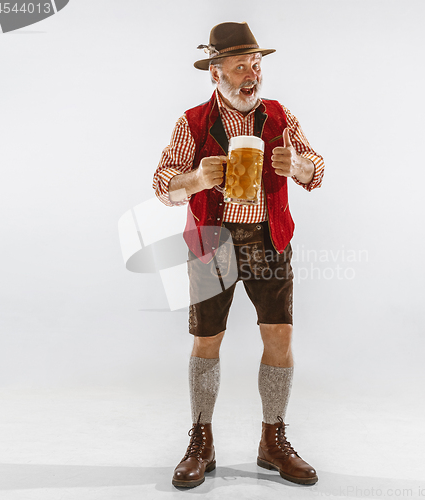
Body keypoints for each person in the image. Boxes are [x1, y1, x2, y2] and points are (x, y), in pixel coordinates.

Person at [153, 21, 325, 488]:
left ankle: (273, 440)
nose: (252, 74)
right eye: (240, 66)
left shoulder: (278, 115)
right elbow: (163, 184)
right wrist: (195, 181)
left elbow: (316, 170)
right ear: (216, 72)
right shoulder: (192, 121)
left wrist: (300, 165)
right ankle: (201, 439)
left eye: (256, 64)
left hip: (269, 238)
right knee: (208, 340)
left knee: (279, 337)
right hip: (212, 241)